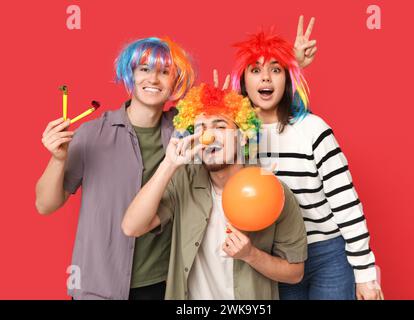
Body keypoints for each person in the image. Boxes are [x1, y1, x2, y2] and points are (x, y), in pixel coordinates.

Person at [229, 20, 384, 300]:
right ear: (243, 82)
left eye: (275, 70)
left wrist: (366, 275)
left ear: (287, 79)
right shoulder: (234, 137)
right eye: (255, 70)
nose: (265, 78)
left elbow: (346, 204)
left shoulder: (313, 129)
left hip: (327, 255)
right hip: (277, 259)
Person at [35, 37, 195, 300]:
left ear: (175, 82)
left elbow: (233, 134)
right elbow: (45, 205)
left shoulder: (183, 131)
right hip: (98, 286)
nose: (154, 79)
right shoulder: (93, 133)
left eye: (164, 72)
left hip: (162, 285)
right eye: (144, 69)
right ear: (130, 74)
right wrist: (58, 158)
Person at [122, 83, 308, 299]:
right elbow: (131, 227)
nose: (208, 136)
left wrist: (250, 255)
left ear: (243, 135)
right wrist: (168, 164)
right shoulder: (183, 180)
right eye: (200, 127)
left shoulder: (273, 191)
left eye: (220, 126)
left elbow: (295, 273)